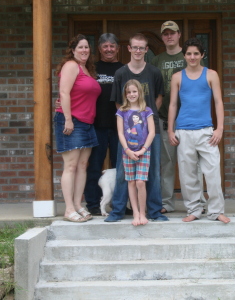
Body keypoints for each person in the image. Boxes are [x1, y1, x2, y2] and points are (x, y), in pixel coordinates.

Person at [105, 33, 168, 222]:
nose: (138, 51)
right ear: (129, 49)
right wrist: (129, 120)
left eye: (142, 48)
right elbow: (118, 102)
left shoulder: (154, 73)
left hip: (150, 130)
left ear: (147, 50)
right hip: (127, 133)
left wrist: (145, 117)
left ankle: (154, 211)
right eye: (135, 47)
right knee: (124, 171)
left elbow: (159, 98)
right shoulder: (121, 74)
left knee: (153, 171)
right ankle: (117, 211)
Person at [168, 38, 230, 223]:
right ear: (184, 55)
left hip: (206, 131)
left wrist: (220, 128)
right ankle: (194, 209)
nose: (192, 57)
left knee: (212, 172)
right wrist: (171, 131)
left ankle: (216, 211)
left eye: (196, 53)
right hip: (184, 131)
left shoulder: (211, 75)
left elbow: (218, 102)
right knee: (188, 175)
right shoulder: (177, 77)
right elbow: (172, 104)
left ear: (202, 55)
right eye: (189, 53)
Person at [151, 21, 207, 214]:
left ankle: (199, 201)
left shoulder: (190, 56)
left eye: (172, 33)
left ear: (179, 35)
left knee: (194, 164)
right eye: (165, 33)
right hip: (164, 118)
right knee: (166, 164)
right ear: (162, 37)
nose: (169, 36)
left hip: (190, 121)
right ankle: (167, 202)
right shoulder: (157, 61)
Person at [53, 34, 101, 222]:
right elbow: (64, 92)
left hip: (87, 123)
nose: (84, 50)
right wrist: (67, 119)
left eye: (87, 47)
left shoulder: (86, 69)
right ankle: (69, 209)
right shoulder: (71, 66)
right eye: (80, 47)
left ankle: (78, 205)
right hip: (72, 121)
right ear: (73, 50)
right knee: (71, 166)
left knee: (82, 166)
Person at [83, 33, 124, 216]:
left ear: (117, 48)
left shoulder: (124, 69)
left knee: (121, 168)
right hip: (96, 125)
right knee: (94, 166)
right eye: (105, 46)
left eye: (112, 46)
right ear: (99, 49)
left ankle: (120, 204)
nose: (109, 49)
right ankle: (93, 203)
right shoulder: (91, 69)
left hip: (120, 127)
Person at [116, 79, 155, 226]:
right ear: (125, 94)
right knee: (131, 182)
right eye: (129, 92)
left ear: (139, 92)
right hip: (128, 152)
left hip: (144, 152)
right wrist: (127, 150)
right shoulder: (122, 111)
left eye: (134, 91)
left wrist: (143, 149)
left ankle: (143, 212)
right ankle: (135, 213)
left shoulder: (146, 111)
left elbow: (151, 132)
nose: (132, 94)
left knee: (140, 182)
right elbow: (120, 133)